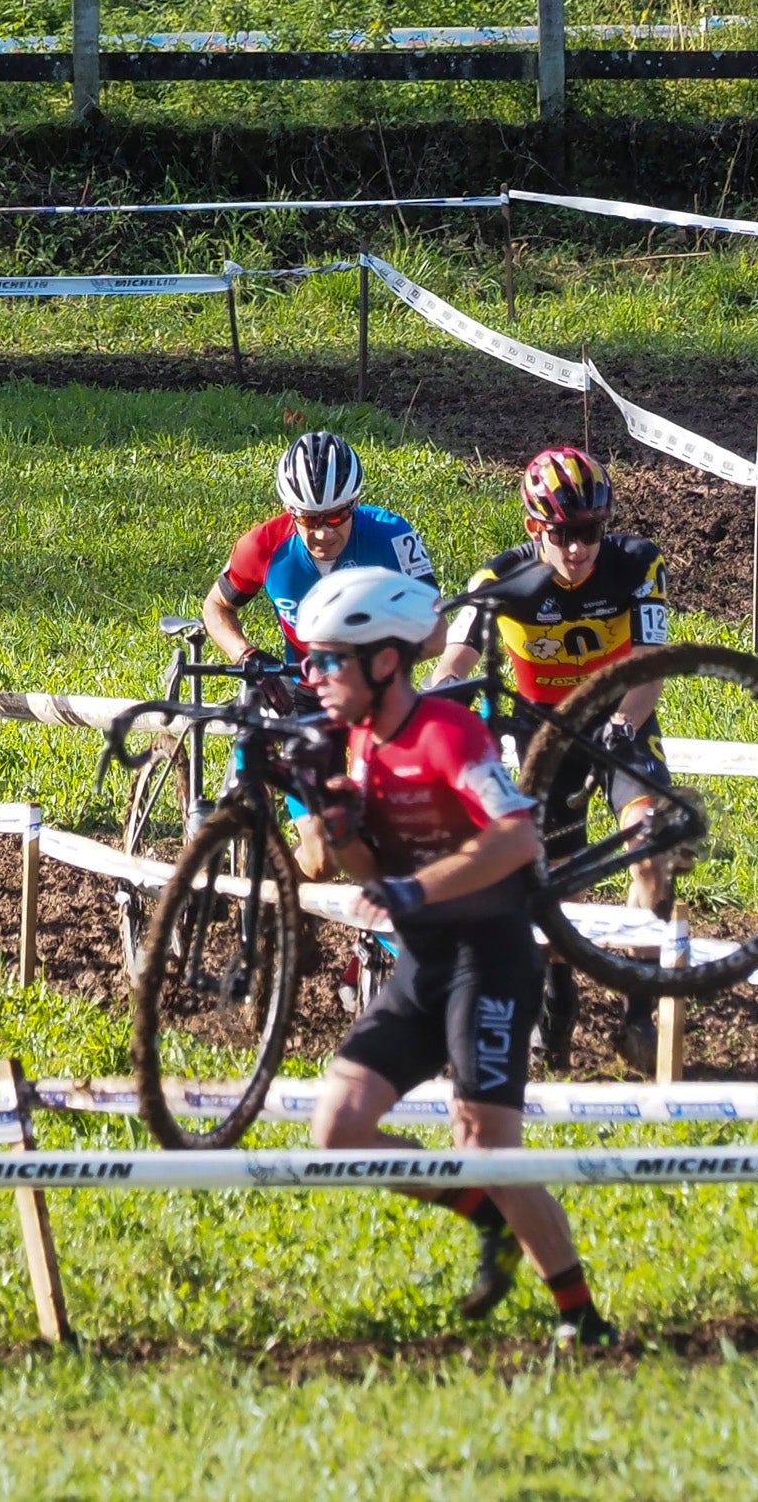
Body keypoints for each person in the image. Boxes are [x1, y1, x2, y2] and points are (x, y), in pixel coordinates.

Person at [290, 565, 611, 1345]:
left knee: (488, 1149)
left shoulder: (446, 733)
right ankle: (487, 1222)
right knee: (337, 1128)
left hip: (491, 959)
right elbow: (366, 872)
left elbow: (516, 836)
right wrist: (338, 831)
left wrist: (415, 891)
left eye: (331, 659)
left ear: (385, 661)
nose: (315, 675)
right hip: (423, 966)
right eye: (312, 659)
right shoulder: (356, 743)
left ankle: (582, 1319)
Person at [433, 444, 676, 1074]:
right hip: (544, 740)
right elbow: (455, 661)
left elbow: (649, 666)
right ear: (534, 529)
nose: (578, 549)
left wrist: (625, 723)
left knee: (652, 850)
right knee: (553, 880)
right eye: (563, 534)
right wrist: (427, 709)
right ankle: (558, 994)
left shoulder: (638, 565)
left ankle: (638, 1014)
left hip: (622, 726)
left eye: (590, 531)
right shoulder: (499, 581)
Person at [203, 428, 438, 667]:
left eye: (337, 516)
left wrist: (371, 665)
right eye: (309, 519)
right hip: (301, 687)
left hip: (375, 688)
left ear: (355, 502)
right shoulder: (261, 546)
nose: (324, 533)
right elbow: (216, 606)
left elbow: (437, 632)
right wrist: (244, 654)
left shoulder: (392, 535)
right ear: (290, 510)